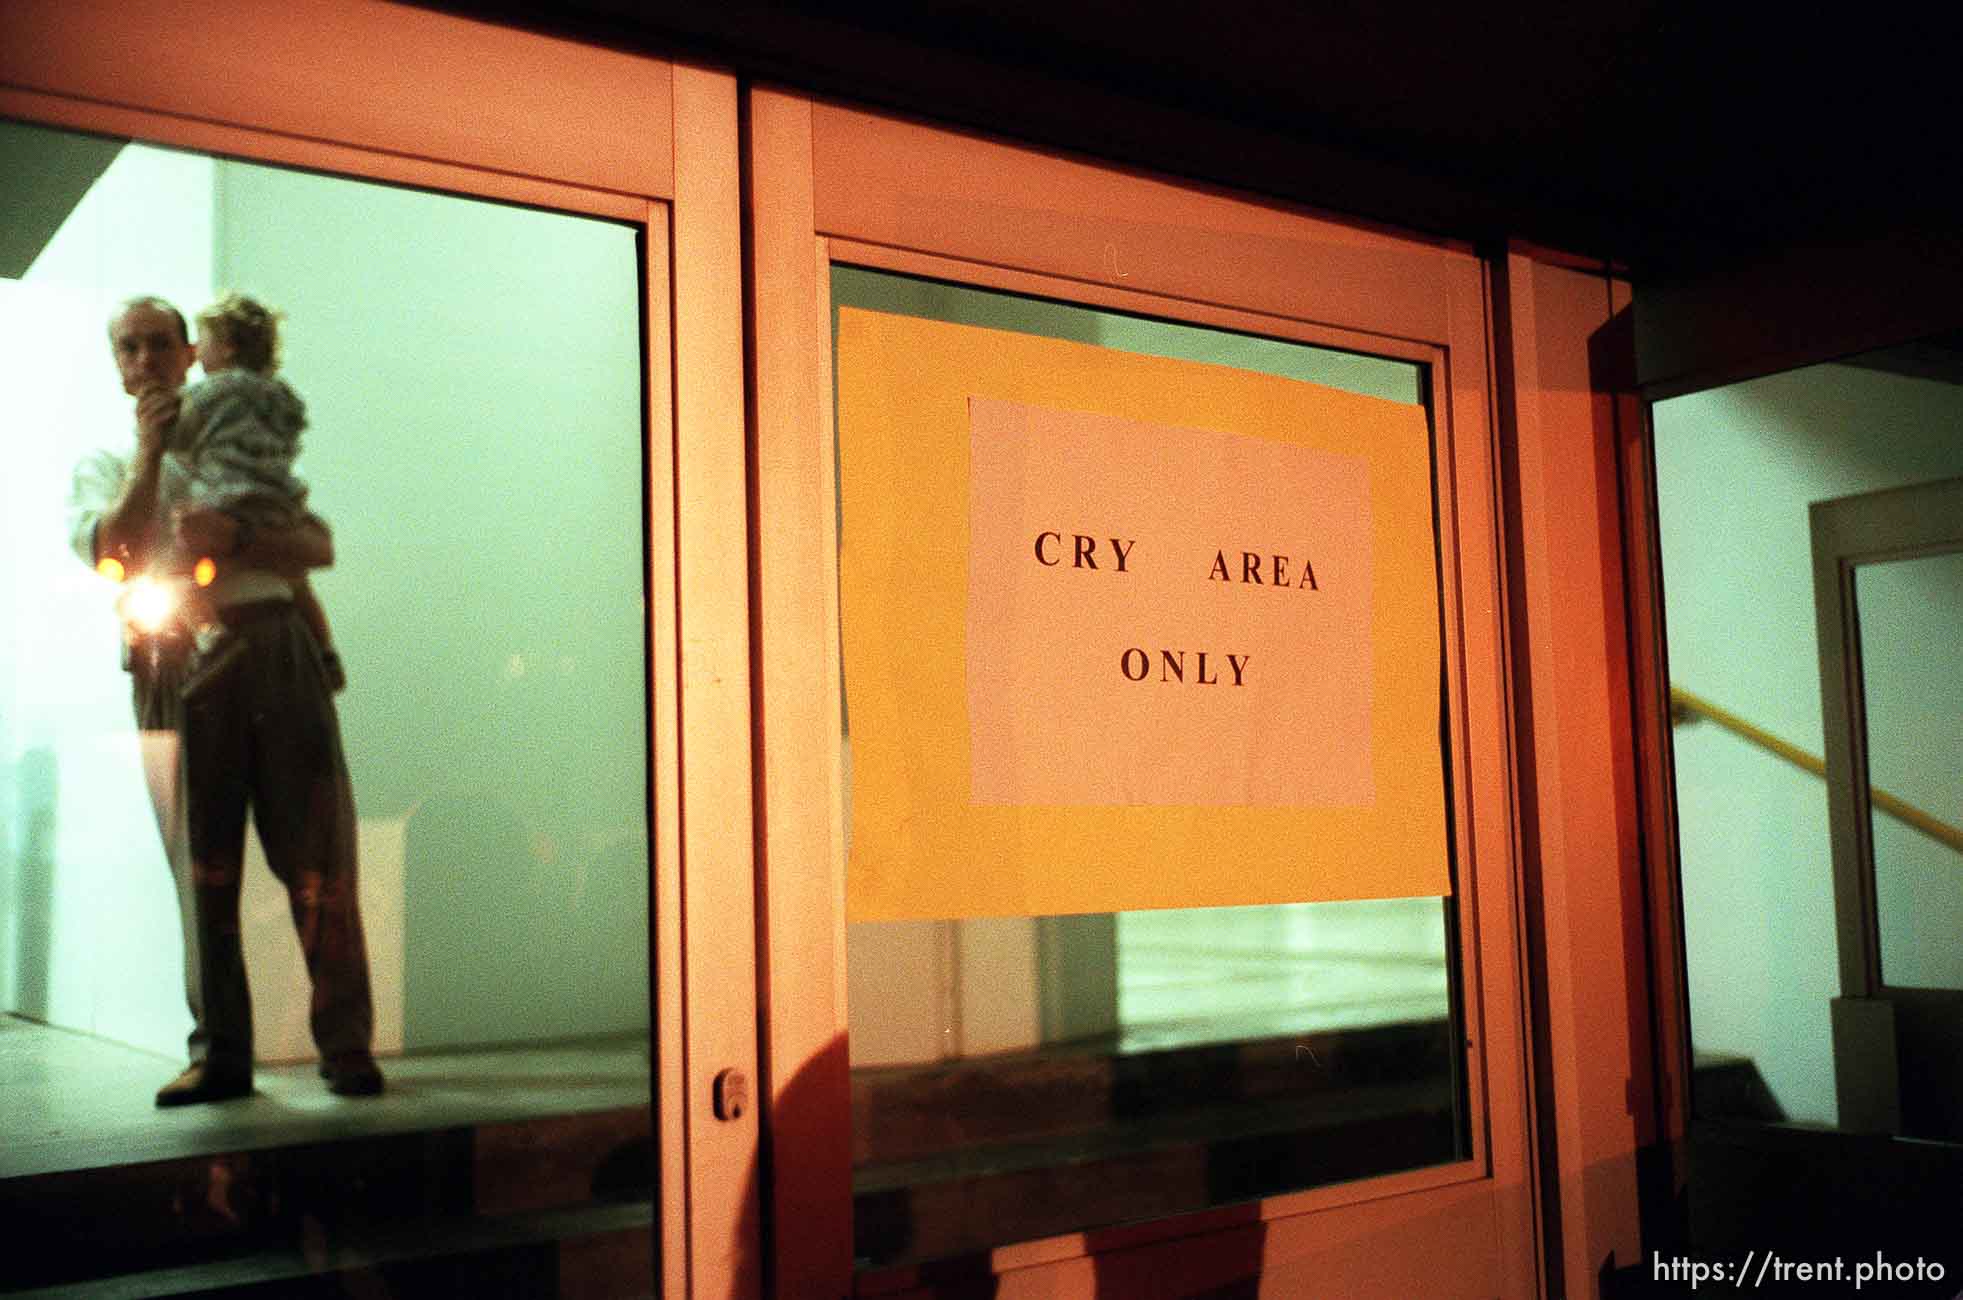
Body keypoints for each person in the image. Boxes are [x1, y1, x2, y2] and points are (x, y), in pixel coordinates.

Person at [68, 295, 383, 1105]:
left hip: (274, 642)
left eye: (157, 344)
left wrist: (238, 539)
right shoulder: (105, 464)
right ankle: (222, 1056)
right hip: (172, 658)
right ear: (116, 365)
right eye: (126, 348)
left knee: (320, 853)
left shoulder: (238, 447)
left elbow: (318, 544)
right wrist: (149, 455)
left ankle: (347, 1047)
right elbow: (114, 551)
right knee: (200, 868)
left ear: (188, 353)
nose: (142, 360)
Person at [167, 292, 345, 693]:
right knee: (297, 579)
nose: (198, 354)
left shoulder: (209, 392)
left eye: (203, 342)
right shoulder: (280, 395)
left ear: (226, 347)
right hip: (279, 496)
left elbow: (177, 434)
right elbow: (294, 429)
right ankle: (326, 651)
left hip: (226, 495)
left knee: (183, 575)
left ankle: (210, 632)